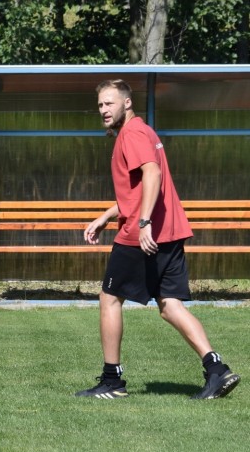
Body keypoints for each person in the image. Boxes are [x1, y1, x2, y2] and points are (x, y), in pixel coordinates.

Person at [77, 79, 239, 400]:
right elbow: (137, 190)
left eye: (109, 103)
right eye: (100, 105)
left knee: (109, 298)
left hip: (143, 234)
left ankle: (112, 381)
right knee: (169, 305)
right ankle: (216, 369)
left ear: (127, 103)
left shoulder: (132, 134)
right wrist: (106, 216)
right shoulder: (144, 131)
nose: (104, 110)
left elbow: (153, 174)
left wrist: (144, 223)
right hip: (170, 232)